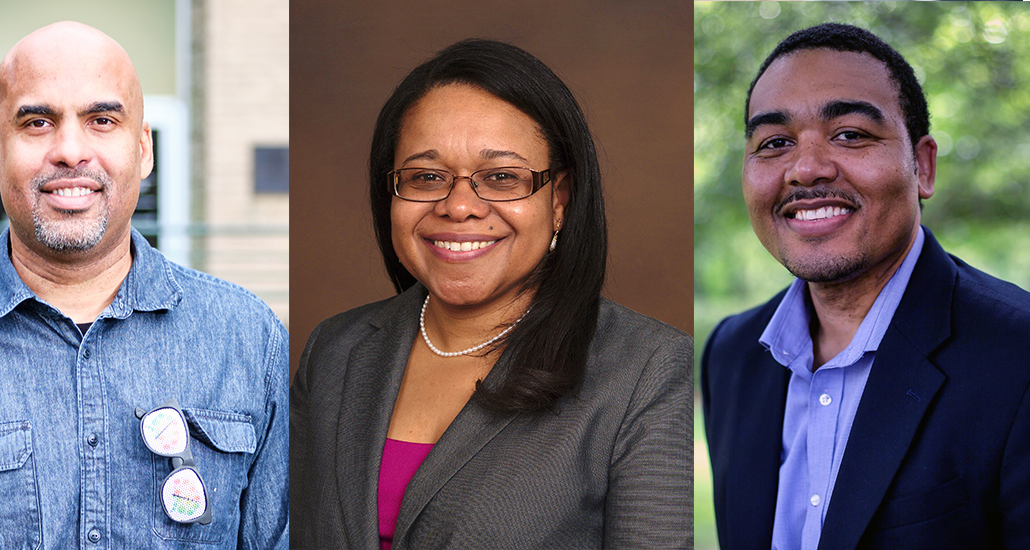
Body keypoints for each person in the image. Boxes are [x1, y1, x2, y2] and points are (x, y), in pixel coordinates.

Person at [290, 39, 692, 549]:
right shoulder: (334, 350)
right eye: (426, 176)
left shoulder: (649, 370)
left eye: (502, 178)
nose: (459, 207)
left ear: (560, 201)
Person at [0, 22, 287, 549]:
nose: (70, 150)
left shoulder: (248, 340)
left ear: (143, 149)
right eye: (38, 122)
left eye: (101, 119)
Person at [702, 23, 1030, 549]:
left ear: (922, 166)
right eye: (776, 143)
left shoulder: (1018, 356)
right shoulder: (731, 355)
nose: (805, 169)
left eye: (850, 134)